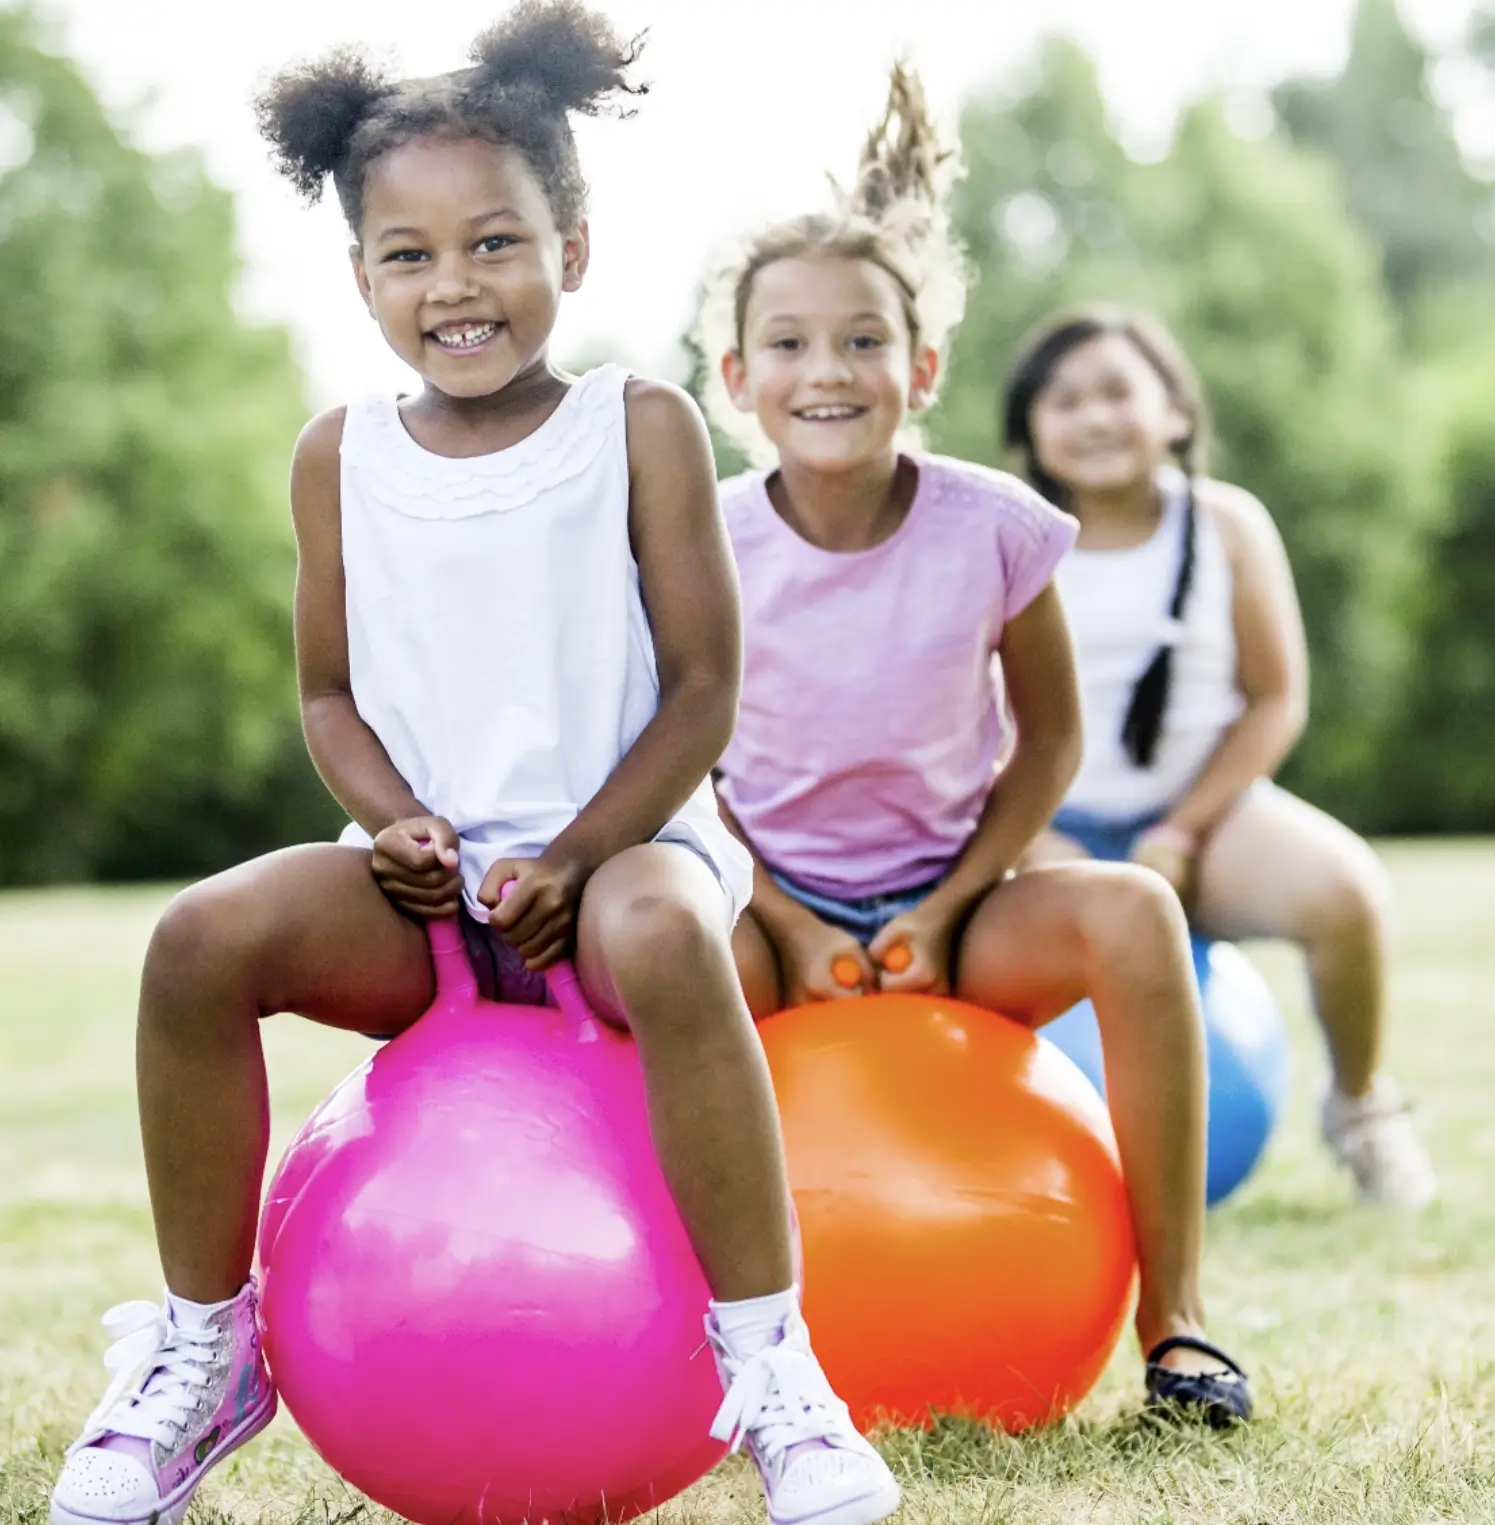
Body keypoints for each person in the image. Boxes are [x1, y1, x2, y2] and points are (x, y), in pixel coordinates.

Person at [47, 9, 901, 1525]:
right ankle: (205, 1346)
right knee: (195, 940)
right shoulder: (337, 456)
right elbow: (325, 694)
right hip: (431, 894)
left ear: (573, 245)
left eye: (496, 241)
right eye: (410, 254)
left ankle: (777, 1372)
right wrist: (394, 826)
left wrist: (577, 854)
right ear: (362, 275)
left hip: (626, 852)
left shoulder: (637, 426)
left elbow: (706, 690)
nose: (457, 285)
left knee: (652, 922)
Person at [697, 62, 1252, 1427]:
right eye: (789, 343)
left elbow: (1050, 743)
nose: (827, 370)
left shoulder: (995, 525)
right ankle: (702, 1338)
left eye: (863, 341)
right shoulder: (705, 537)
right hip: (766, 912)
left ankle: (1177, 1323)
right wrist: (775, 911)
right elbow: (669, 762)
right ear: (735, 376)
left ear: (922, 366)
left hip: (961, 902)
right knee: (670, 950)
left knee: (1134, 910)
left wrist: (950, 907)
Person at [1002, 307, 1437, 1211]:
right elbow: (970, 718)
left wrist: (1180, 828)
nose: (1092, 417)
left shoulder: (1229, 525)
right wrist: (1037, 842)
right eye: (1063, 398)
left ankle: (1362, 1110)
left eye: (1118, 391)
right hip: (1047, 831)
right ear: (1030, 430)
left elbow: (1274, 698)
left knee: (1345, 890)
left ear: (1177, 413)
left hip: (1202, 819)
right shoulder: (1008, 535)